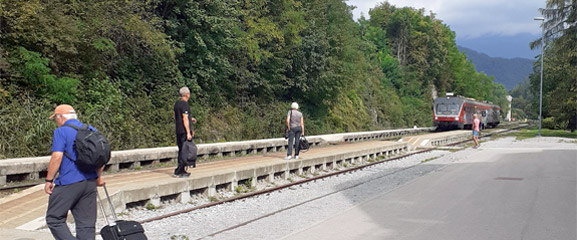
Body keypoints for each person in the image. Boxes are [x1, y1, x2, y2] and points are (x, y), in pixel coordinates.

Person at [45, 104, 105, 240]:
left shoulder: (61, 131)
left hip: (68, 182)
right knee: (86, 224)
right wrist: (98, 178)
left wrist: (49, 180)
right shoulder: (91, 130)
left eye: (56, 118)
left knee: (54, 218)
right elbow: (102, 156)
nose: (56, 121)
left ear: (60, 117)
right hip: (89, 182)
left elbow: (57, 157)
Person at [174, 87, 196, 177]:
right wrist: (188, 132)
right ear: (187, 94)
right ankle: (180, 170)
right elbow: (184, 118)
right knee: (185, 151)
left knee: (181, 150)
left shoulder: (177, 104)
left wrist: (191, 119)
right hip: (184, 131)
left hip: (178, 130)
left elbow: (176, 115)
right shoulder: (185, 104)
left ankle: (180, 169)